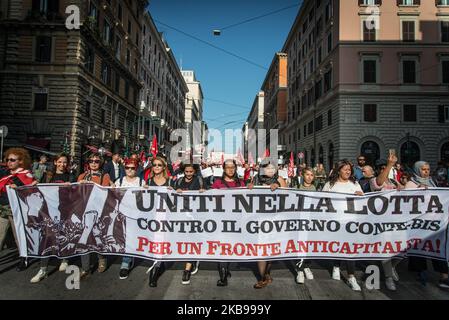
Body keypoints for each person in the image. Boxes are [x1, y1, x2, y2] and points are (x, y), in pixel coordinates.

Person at [30, 153, 75, 283]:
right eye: (60, 162)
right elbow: (39, 190)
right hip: (49, 212)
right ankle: (43, 269)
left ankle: (64, 258)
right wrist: (33, 185)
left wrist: (71, 187)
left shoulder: (70, 176)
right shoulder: (48, 175)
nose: (62, 164)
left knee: (63, 236)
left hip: (64, 212)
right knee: (47, 239)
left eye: (65, 162)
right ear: (55, 162)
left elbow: (76, 192)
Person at [405, 161, 449, 289]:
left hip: (434, 221)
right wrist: (417, 192)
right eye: (423, 169)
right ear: (417, 170)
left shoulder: (432, 182)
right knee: (420, 247)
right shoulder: (411, 184)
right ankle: (421, 272)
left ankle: (444, 275)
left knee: (437, 247)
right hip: (418, 222)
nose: (426, 172)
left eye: (428, 169)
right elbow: (405, 202)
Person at [322, 159, 363, 291]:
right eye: (345, 169)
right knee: (338, 246)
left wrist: (360, 195)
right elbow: (323, 201)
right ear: (338, 170)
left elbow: (363, 201)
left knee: (349, 248)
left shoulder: (355, 184)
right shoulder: (330, 185)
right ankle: (336, 266)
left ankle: (351, 276)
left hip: (351, 221)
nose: (348, 171)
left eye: (349, 169)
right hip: (335, 221)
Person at [248, 161, 287, 289]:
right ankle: (262, 278)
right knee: (261, 249)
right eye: (267, 168)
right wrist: (248, 188)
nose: (271, 170)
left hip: (275, 219)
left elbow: (289, 197)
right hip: (259, 219)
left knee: (270, 250)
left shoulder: (280, 179)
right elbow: (248, 196)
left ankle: (267, 273)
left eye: (272, 167)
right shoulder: (255, 179)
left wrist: (279, 188)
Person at [0, 148, 37, 271]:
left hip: (16, 210)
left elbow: (29, 191)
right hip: (3, 208)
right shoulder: (5, 173)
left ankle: (24, 258)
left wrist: (19, 187)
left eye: (12, 160)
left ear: (21, 161)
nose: (9, 162)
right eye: (7, 159)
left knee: (19, 236)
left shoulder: (26, 174)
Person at [369, 155, 402, 291]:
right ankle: (388, 277)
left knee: (404, 247)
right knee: (386, 249)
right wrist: (389, 165)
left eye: (386, 167)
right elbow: (379, 183)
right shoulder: (374, 180)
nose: (384, 169)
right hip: (382, 221)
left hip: (397, 220)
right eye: (381, 168)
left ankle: (392, 266)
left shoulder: (394, 181)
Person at [211, 159, 246, 287]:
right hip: (221, 219)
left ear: (235, 169)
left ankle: (226, 270)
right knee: (222, 246)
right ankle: (223, 277)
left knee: (230, 246)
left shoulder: (241, 183)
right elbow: (211, 200)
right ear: (223, 169)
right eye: (228, 167)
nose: (230, 170)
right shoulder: (217, 183)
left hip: (237, 220)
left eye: (233, 167)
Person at [77, 153, 112, 279]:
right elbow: (76, 194)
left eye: (96, 161)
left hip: (99, 210)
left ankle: (101, 258)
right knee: (87, 236)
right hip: (84, 210)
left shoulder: (105, 175)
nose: (93, 163)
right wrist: (79, 185)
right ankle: (85, 267)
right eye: (91, 160)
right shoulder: (82, 175)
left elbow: (106, 192)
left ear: (100, 163)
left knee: (97, 235)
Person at [174, 163, 205, 285]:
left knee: (191, 239)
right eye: (186, 172)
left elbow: (207, 193)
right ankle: (193, 259)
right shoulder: (179, 180)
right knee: (183, 239)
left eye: (191, 172)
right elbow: (171, 193)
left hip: (195, 214)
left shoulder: (199, 180)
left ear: (194, 172)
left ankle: (188, 268)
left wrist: (203, 190)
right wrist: (176, 191)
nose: (188, 174)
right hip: (181, 214)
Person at [114, 158, 145, 280]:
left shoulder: (141, 182)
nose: (130, 170)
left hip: (134, 214)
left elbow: (146, 198)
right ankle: (128, 257)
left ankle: (125, 263)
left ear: (136, 169)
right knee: (121, 237)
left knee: (130, 238)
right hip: (120, 213)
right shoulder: (119, 181)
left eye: (132, 168)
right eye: (127, 168)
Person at [146, 156, 173, 287]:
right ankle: (155, 266)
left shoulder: (170, 181)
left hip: (165, 217)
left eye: (159, 165)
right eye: (154, 165)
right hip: (152, 217)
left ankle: (156, 269)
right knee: (154, 243)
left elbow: (174, 203)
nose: (156, 167)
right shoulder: (149, 181)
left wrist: (174, 193)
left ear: (164, 167)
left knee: (161, 243)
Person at [294, 167, 316, 284]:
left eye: (312, 175)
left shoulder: (317, 188)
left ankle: (307, 266)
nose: (309, 177)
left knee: (309, 246)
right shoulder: (297, 188)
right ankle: (299, 270)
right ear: (303, 175)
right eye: (307, 174)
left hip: (312, 221)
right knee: (300, 245)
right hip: (299, 221)